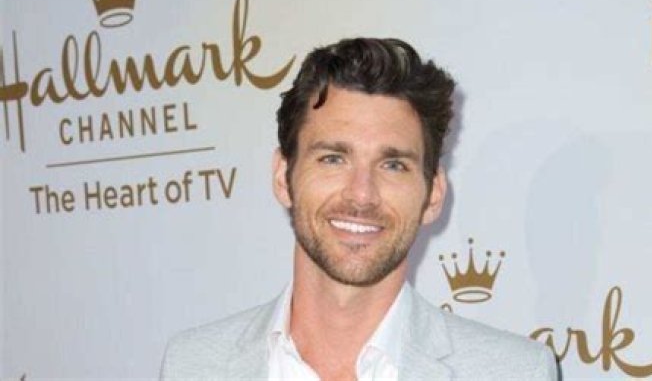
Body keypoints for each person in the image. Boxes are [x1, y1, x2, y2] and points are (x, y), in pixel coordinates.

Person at [160, 38, 558, 380]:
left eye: (393, 165)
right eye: (333, 159)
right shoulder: (192, 365)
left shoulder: (515, 372)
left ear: (433, 195)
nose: (362, 195)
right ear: (283, 177)